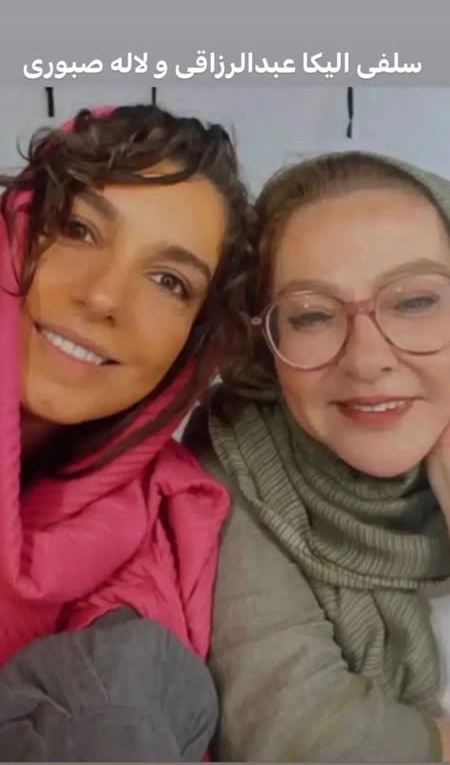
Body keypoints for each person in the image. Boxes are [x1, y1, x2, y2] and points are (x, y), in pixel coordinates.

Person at [0, 102, 252, 761]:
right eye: (78, 229)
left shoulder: (164, 519)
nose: (104, 297)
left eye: (169, 281)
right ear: (16, 230)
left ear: (194, 344)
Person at [184, 150, 450, 762]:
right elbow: (295, 734)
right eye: (311, 315)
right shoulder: (235, 460)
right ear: (266, 342)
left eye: (415, 302)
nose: (366, 359)